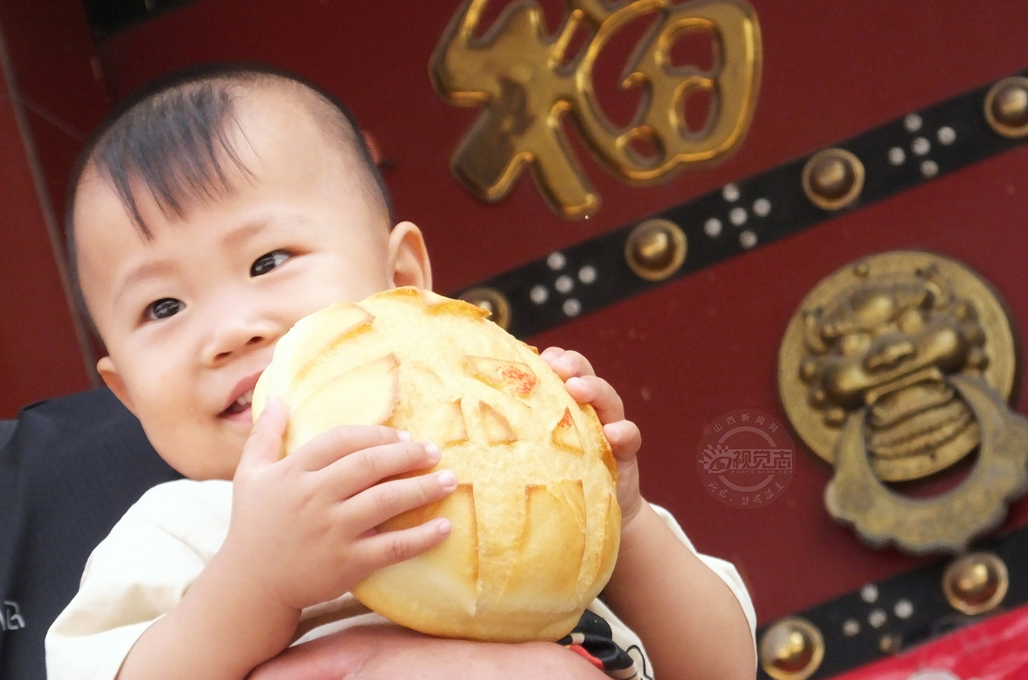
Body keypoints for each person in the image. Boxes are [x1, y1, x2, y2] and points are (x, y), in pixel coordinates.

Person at [45, 65, 757, 680]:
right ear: (128, 393)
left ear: (403, 280)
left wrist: (624, 519)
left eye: (268, 261)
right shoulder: (181, 533)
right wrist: (256, 582)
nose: (231, 331)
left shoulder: (525, 468)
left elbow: (724, 666)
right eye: (163, 305)